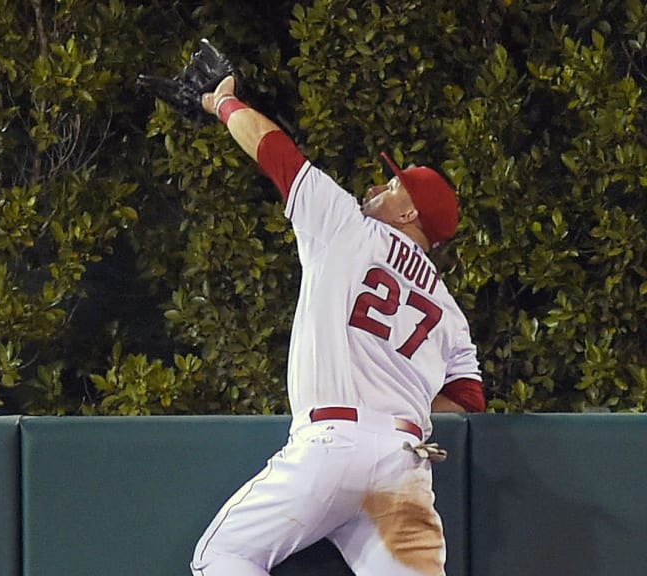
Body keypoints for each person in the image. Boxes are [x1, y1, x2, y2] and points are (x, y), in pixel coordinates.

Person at [189, 73, 485, 576]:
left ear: (410, 211)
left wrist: (223, 101)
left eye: (392, 186)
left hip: (331, 445)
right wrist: (398, 386)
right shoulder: (451, 313)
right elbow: (467, 400)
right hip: (404, 460)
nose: (376, 186)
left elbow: (277, 155)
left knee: (222, 555)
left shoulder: (349, 227)